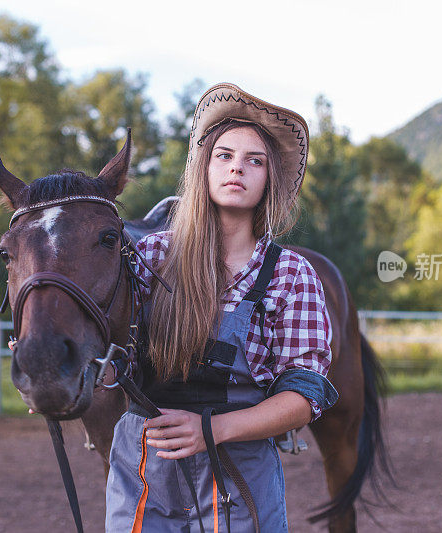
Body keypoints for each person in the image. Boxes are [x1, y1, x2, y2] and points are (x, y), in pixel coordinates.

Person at [105, 82, 338, 532]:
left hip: (239, 477)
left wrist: (211, 430)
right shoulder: (151, 258)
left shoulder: (291, 275)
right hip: (145, 475)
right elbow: (119, 364)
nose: (237, 169)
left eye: (255, 161)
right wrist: (61, 367)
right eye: (225, 156)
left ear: (269, 178)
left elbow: (304, 397)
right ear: (203, 168)